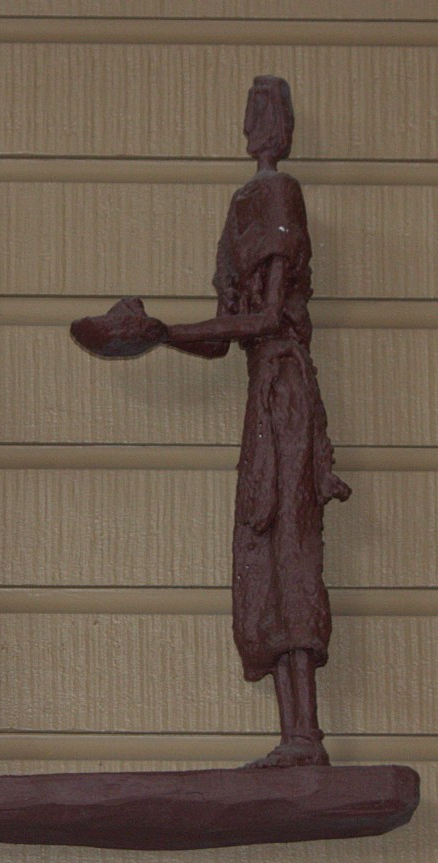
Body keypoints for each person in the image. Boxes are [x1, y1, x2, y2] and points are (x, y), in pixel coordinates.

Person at [72, 76, 350, 768]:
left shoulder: (278, 195)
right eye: (257, 111)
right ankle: (293, 733)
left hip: (286, 393)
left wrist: (166, 330)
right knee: (262, 547)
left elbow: (265, 318)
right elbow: (225, 337)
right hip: (264, 396)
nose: (265, 124)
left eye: (273, 111)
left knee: (289, 545)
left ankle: (305, 734)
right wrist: (157, 335)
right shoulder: (241, 207)